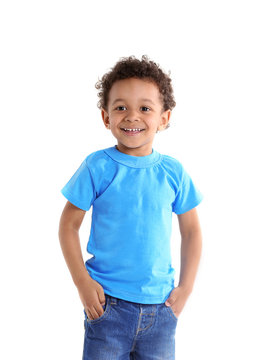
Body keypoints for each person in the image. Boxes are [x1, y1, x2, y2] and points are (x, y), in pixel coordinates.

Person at [58, 55, 203, 360]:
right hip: (107, 306)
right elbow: (68, 226)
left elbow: (191, 231)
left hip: (162, 310)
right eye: (121, 107)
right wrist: (82, 282)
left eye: (145, 108)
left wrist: (186, 288)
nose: (132, 116)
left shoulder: (173, 172)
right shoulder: (97, 166)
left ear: (164, 118)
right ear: (105, 117)